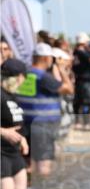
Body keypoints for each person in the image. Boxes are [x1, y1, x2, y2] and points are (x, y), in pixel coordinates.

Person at [17, 43, 72, 177]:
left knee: (28, 162)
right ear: (46, 58)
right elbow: (69, 89)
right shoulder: (43, 77)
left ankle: (28, 188)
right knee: (44, 165)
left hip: (26, 124)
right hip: (43, 126)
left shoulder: (24, 74)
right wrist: (62, 69)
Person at [1, 59, 30, 189]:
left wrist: (23, 138)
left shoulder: (13, 96)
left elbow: (17, 123)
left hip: (15, 155)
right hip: (1, 156)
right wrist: (3, 132)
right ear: (19, 77)